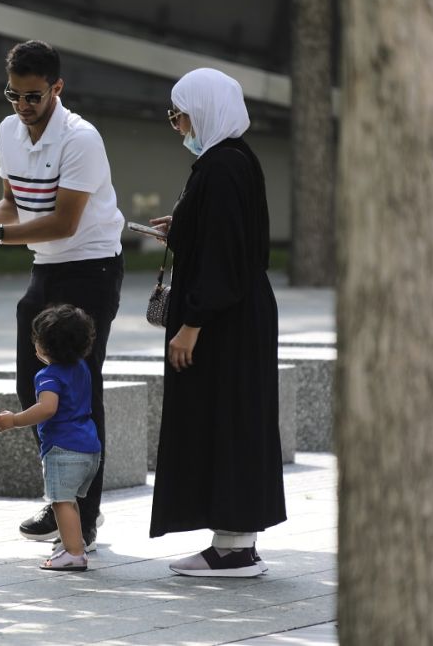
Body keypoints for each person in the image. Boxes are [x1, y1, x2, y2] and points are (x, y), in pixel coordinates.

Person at [0, 39, 124, 551]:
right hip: (48, 267)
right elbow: (11, 204)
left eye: (33, 96)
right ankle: (63, 493)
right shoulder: (8, 131)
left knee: (78, 389)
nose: (22, 106)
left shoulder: (81, 139)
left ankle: (83, 515)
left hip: (90, 268)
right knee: (33, 383)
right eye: (13, 95)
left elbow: (64, 223)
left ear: (57, 89)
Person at [147, 68, 286, 577]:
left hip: (225, 323)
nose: (178, 124)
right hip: (235, 316)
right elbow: (222, 238)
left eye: (180, 113)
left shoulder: (223, 166)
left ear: (203, 110)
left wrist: (192, 325)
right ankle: (232, 541)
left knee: (229, 419)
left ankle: (234, 547)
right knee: (230, 419)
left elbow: (225, 257)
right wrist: (182, 225)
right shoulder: (229, 160)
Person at [0, 305, 101, 572]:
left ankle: (74, 553)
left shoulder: (47, 376)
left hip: (64, 449)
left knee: (61, 501)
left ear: (44, 347)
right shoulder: (82, 368)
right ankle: (70, 545)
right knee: (70, 500)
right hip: (90, 447)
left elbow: (47, 408)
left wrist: (15, 419)